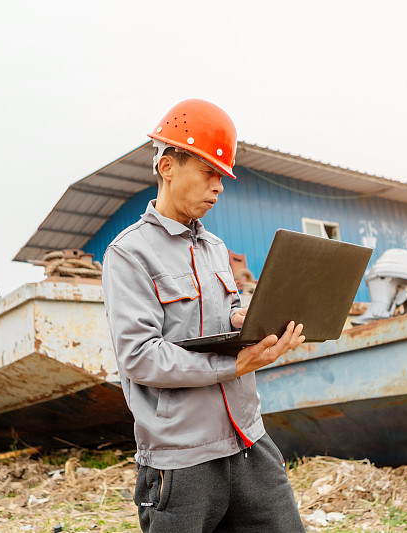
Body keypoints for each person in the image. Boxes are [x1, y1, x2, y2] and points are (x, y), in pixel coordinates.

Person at [101, 99, 307, 532]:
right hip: (182, 460)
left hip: (248, 441)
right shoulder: (129, 254)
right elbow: (140, 357)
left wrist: (244, 320)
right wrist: (234, 365)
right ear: (168, 167)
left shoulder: (214, 248)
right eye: (209, 172)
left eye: (222, 177)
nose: (219, 187)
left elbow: (224, 313)